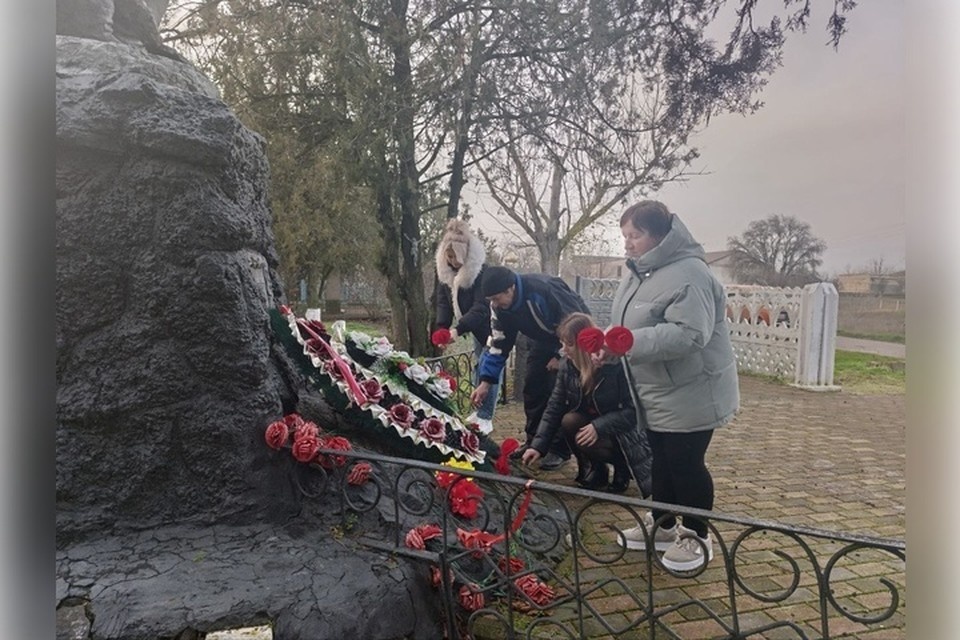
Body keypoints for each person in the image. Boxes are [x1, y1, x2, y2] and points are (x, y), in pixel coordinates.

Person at [610, 200, 739, 572]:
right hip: (656, 389)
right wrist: (611, 346)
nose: (628, 243)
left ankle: (697, 536)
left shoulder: (690, 274)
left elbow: (689, 334)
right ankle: (663, 525)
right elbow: (631, 327)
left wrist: (629, 343)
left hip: (692, 390)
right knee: (661, 463)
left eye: (635, 235)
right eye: (625, 236)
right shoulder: (640, 273)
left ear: (660, 235)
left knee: (686, 464)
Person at [470, 265, 590, 471]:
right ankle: (535, 443)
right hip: (541, 340)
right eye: (491, 300)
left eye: (497, 298)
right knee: (533, 388)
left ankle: (559, 450)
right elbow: (499, 343)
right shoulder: (499, 307)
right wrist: (485, 382)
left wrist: (560, 356)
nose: (494, 304)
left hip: (572, 340)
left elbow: (577, 322)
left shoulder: (543, 288)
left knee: (560, 393)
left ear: (511, 289)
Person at [520, 313, 653, 496]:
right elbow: (555, 406)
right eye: (562, 343)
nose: (563, 349)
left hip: (624, 432)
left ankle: (622, 467)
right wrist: (537, 446)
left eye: (569, 344)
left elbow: (634, 411)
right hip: (592, 422)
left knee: (586, 432)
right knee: (569, 420)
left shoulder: (614, 366)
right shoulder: (568, 365)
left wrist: (599, 427)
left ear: (584, 343)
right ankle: (595, 469)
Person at [433, 219, 500, 433]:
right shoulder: (446, 274)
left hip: (494, 328)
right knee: (478, 367)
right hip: (475, 330)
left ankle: (486, 416)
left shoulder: (481, 273)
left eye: (454, 256)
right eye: (448, 256)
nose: (451, 261)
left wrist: (457, 330)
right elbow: (443, 302)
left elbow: (481, 308)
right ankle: (479, 411)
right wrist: (441, 329)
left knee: (488, 370)